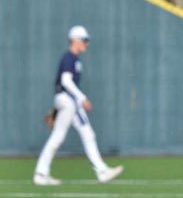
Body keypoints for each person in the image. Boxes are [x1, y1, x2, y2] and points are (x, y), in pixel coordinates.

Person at [33, 25, 124, 185]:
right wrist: (81, 98)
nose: (86, 43)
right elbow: (65, 81)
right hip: (68, 101)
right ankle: (41, 174)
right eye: (84, 40)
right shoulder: (69, 58)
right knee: (61, 136)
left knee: (86, 134)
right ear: (75, 40)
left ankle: (101, 170)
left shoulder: (73, 59)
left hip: (68, 101)